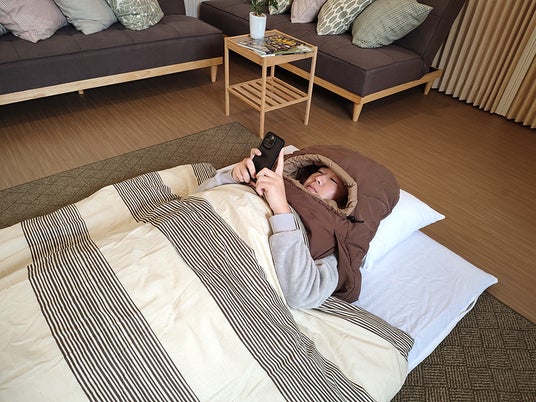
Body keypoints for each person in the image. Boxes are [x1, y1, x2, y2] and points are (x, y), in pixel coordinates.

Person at [198, 144, 400, 309]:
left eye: (332, 180)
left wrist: (281, 210)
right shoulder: (273, 182)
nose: (318, 178)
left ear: (346, 200)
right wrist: (232, 176)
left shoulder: (332, 241)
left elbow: (302, 295)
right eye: (319, 171)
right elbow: (199, 195)